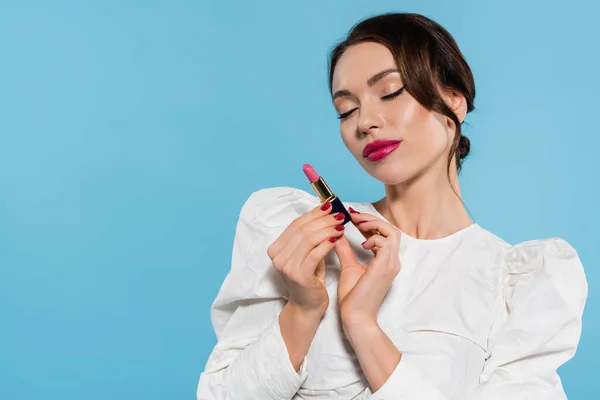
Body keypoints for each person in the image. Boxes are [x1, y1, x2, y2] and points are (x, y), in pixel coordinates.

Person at [196, 12, 588, 399]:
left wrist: (363, 325)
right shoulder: (301, 234)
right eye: (346, 110)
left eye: (390, 92)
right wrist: (302, 308)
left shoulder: (519, 285)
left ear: (454, 102)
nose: (365, 121)